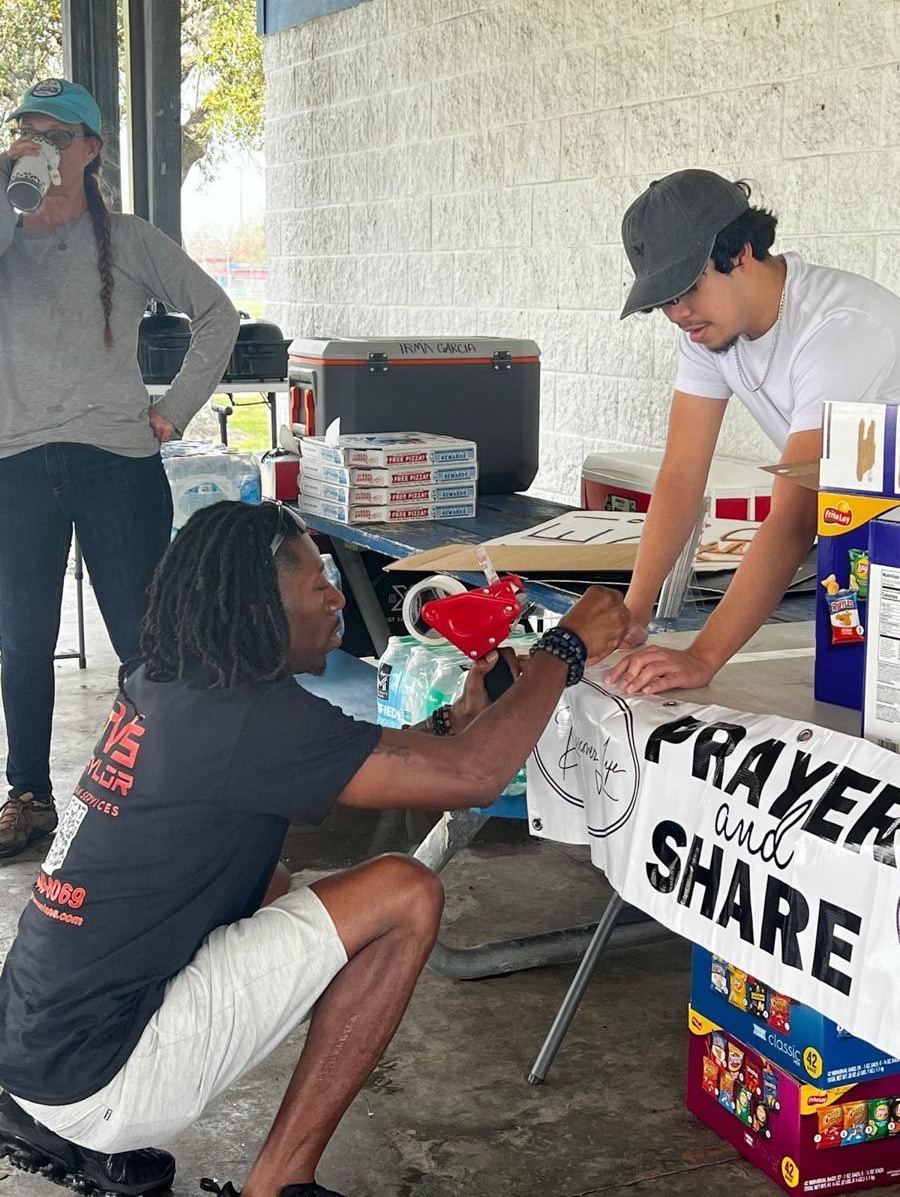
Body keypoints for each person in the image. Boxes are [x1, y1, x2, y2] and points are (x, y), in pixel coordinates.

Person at [0, 499, 627, 1197]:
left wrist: (452, 722)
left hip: (39, 1046)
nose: (336, 597)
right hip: (102, 1077)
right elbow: (477, 778)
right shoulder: (248, 720)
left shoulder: (174, 681)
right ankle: (280, 1183)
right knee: (403, 893)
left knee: (268, 882)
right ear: (257, 610)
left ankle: (64, 1125)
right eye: (316, 584)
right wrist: (562, 651)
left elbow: (352, 760)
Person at [0, 78, 239, 858]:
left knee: (144, 635)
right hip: (17, 464)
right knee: (21, 640)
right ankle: (28, 797)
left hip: (117, 461)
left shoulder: (129, 240)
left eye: (55, 137)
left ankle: (155, 785)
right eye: (26, 134)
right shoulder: (6, 232)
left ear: (92, 150)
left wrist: (176, 407)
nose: (40, 149)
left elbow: (217, 314)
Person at [607, 168, 900, 696]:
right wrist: (634, 610)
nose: (678, 314)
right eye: (664, 301)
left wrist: (702, 656)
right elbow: (680, 473)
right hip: (868, 535)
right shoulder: (706, 332)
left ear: (740, 253)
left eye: (687, 289)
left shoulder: (840, 328)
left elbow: (794, 517)